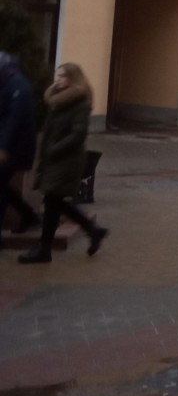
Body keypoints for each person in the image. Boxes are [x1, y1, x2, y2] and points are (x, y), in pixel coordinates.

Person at [18, 63, 108, 264]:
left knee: (52, 201)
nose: (57, 80)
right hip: (54, 159)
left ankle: (44, 248)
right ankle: (92, 230)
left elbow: (78, 134)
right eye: (57, 76)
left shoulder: (80, 103)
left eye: (62, 77)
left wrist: (54, 148)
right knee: (55, 201)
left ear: (72, 79)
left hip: (66, 161)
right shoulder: (58, 101)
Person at [0, 51, 39, 241]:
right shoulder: (10, 84)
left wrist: (3, 148)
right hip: (14, 147)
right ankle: (28, 215)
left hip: (14, 148)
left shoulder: (17, 86)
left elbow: (13, 120)